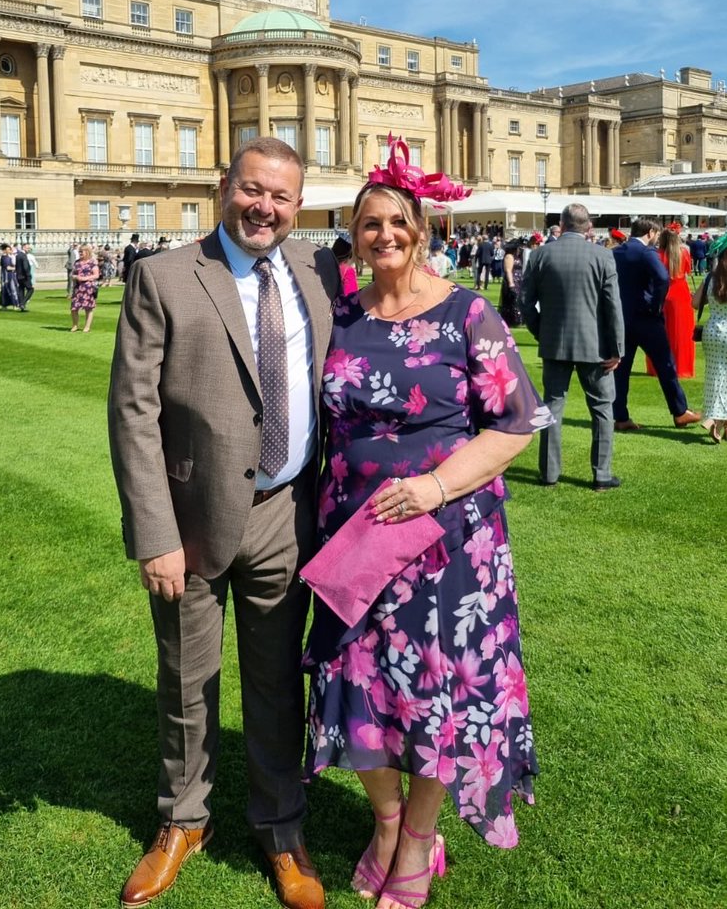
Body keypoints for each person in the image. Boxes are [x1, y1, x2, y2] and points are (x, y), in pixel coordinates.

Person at [302, 145, 549, 909]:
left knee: (438, 692)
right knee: (354, 678)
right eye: (369, 225)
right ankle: (387, 823)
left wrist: (435, 486)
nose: (384, 236)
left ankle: (416, 845)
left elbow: (517, 422)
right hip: (353, 534)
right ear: (355, 234)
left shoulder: (466, 312)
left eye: (396, 223)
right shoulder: (342, 315)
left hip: (447, 542)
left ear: (422, 227)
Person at [108, 137, 339, 909]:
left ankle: (281, 829)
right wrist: (156, 535)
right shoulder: (163, 276)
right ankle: (184, 821)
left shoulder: (319, 269)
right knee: (185, 679)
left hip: (286, 510)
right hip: (192, 516)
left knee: (276, 684)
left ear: (296, 205)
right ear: (223, 187)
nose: (263, 206)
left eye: (280, 196)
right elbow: (133, 414)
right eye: (251, 189)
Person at [521, 203, 625, 490]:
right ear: (589, 227)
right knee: (603, 409)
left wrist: (541, 332)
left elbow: (525, 303)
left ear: (562, 225)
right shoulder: (603, 256)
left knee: (552, 407)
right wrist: (617, 347)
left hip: (556, 343)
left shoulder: (541, 255)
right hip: (596, 346)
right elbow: (613, 306)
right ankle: (601, 474)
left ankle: (549, 473)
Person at [612, 218, 700, 431]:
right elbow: (662, 278)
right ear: (650, 232)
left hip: (622, 318)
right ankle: (680, 411)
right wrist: (655, 303)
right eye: (657, 235)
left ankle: (620, 417)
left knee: (621, 370)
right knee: (665, 364)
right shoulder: (646, 252)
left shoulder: (616, 252)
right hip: (646, 318)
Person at [695, 231, 727, 442]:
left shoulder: (712, 276)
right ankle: (713, 419)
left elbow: (694, 303)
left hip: (712, 332)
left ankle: (726, 427)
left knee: (716, 378)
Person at [646, 226, 695, 381]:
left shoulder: (657, 254)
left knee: (661, 333)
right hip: (681, 294)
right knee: (683, 333)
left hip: (663, 294)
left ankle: (657, 367)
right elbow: (687, 273)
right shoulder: (684, 253)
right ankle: (682, 366)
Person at [70, 245, 99, 332]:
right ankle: (75, 325)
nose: (80, 253)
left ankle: (87, 326)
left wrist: (84, 278)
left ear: (87, 252)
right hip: (78, 288)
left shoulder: (92, 263)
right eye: (80, 251)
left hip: (88, 288)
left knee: (88, 308)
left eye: (82, 251)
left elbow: (96, 275)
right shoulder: (77, 262)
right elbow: (72, 274)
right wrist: (75, 277)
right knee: (74, 308)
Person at [498, 237, 525, 327]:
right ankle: (513, 319)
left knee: (517, 300)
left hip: (518, 280)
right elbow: (508, 270)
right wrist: (511, 284)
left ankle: (519, 319)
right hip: (513, 280)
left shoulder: (517, 257)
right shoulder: (509, 256)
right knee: (513, 301)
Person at [0, 243, 20, 309]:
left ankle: (6, 305)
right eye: (8, 249)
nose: (9, 250)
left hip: (9, 275)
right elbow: (8, 268)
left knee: (9, 289)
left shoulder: (8, 257)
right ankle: (13, 304)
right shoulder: (5, 258)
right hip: (7, 276)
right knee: (10, 289)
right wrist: (16, 268)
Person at [14, 244, 33, 311]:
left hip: (19, 275)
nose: (29, 249)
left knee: (21, 289)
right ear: (24, 248)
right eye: (28, 248)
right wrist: (28, 275)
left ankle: (22, 305)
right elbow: (25, 267)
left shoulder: (18, 255)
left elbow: (16, 266)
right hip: (24, 276)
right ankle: (22, 303)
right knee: (30, 289)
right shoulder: (23, 256)